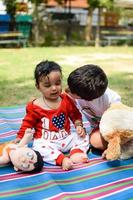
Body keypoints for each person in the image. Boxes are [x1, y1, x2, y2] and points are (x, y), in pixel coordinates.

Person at [16, 60, 89, 171]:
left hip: (66, 138)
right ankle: (61, 159)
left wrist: (79, 126)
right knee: (38, 148)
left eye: (57, 83)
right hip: (46, 141)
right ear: (38, 86)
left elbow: (75, 115)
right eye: (47, 85)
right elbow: (27, 124)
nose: (54, 88)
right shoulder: (34, 106)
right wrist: (20, 138)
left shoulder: (66, 100)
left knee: (84, 136)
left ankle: (76, 152)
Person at [67, 64, 121, 150]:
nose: (67, 90)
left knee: (96, 141)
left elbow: (119, 124)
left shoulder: (112, 100)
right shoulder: (79, 90)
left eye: (71, 90)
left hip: (116, 128)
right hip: (98, 128)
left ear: (87, 98)